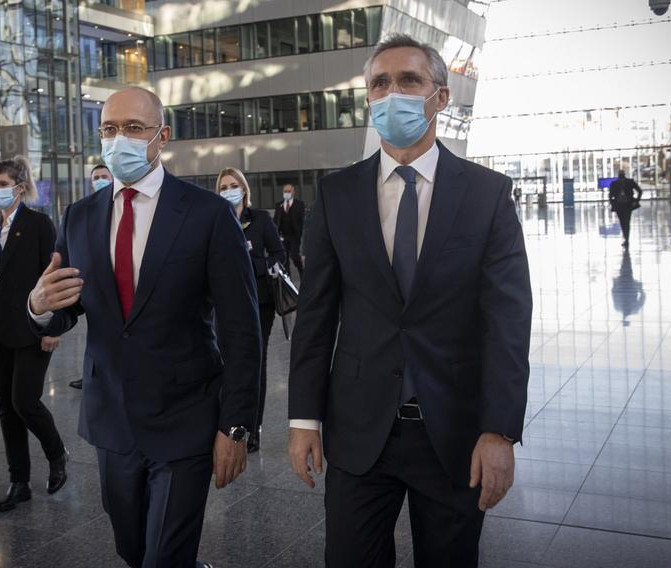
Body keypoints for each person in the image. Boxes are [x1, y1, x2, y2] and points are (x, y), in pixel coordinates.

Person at [287, 34, 532, 567]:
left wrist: (500, 431)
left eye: (409, 80)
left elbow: (508, 323)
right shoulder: (336, 195)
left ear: (440, 97)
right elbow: (316, 317)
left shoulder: (487, 195)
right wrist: (303, 420)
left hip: (455, 434)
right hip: (357, 432)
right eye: (380, 83)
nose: (392, 92)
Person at [27, 86, 260, 568]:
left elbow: (242, 332)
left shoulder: (207, 214)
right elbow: (69, 306)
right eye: (110, 129)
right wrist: (39, 306)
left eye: (134, 128)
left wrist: (236, 427)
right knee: (132, 549)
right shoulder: (80, 216)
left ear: (162, 136)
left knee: (164, 557)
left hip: (185, 418)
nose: (120, 140)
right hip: (111, 417)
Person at [0, 156, 69, 513]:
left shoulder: (38, 224)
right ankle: (19, 480)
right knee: (7, 408)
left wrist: (53, 326)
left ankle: (57, 454)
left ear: (20, 187)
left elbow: (54, 274)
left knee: (25, 401)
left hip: (32, 324)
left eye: (3, 184)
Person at [216, 167, 285, 453]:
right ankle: (225, 422)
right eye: (223, 187)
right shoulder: (216, 219)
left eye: (234, 185)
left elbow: (278, 256)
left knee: (256, 361)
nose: (229, 190)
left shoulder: (260, 219)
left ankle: (252, 427)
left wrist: (247, 259)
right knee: (224, 360)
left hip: (259, 300)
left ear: (244, 189)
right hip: (223, 301)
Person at [69, 163, 114, 390]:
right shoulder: (82, 212)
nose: (99, 180)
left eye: (104, 176)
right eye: (96, 177)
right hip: (92, 286)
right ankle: (90, 372)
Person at [273, 183, 305, 278]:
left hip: (294, 236)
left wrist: (300, 233)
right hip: (283, 236)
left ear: (293, 192)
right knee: (284, 258)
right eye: (285, 191)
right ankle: (288, 279)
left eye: (289, 191)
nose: (287, 193)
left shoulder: (299, 204)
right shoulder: (279, 205)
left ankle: (302, 274)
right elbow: (276, 220)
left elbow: (302, 220)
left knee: (295, 256)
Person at [608, 170, 642, 248]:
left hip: (622, 205)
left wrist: (613, 202)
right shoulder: (628, 182)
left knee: (624, 222)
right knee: (625, 222)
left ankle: (626, 239)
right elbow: (639, 191)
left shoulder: (615, 183)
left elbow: (610, 195)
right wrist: (636, 201)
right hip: (626, 204)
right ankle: (626, 239)